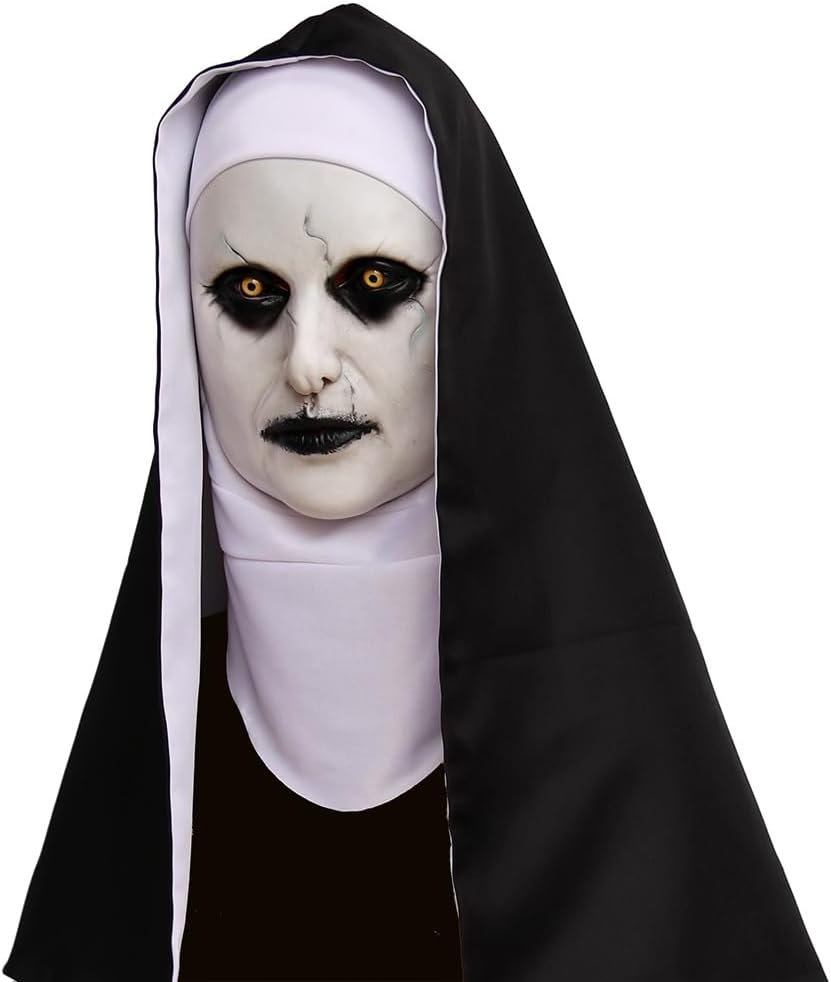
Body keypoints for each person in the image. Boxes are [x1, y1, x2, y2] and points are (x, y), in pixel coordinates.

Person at [4, 6, 828, 982]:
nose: (307, 364)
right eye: (251, 292)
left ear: (474, 306)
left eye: (374, 282)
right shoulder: (161, 731)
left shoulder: (602, 728)